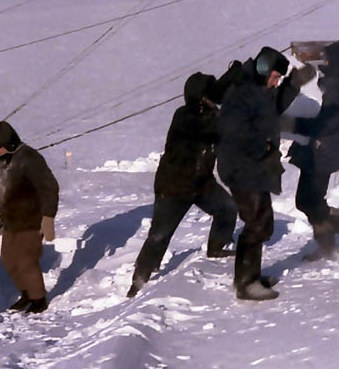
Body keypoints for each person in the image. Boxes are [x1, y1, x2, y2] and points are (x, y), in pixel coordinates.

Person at [126, 72, 238, 298]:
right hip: (174, 186)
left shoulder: (212, 116)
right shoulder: (184, 116)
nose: (213, 98)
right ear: (199, 96)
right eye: (209, 94)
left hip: (202, 183)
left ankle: (217, 247)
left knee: (227, 208)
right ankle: (139, 279)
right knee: (159, 235)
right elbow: (207, 130)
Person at [217, 46, 315, 300]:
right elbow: (232, 130)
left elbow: (274, 107)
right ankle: (246, 283)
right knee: (257, 223)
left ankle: (249, 276)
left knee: (261, 222)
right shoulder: (241, 91)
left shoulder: (260, 89)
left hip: (252, 166)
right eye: (275, 77)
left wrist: (294, 83)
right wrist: (262, 145)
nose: (275, 83)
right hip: (240, 167)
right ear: (263, 69)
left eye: (279, 79)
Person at [285, 40, 339, 261]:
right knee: (309, 200)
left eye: (328, 58)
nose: (324, 62)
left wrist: (294, 124)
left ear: (338, 62)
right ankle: (333, 238)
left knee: (309, 200)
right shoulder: (335, 82)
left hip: (324, 151)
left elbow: (329, 123)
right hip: (321, 149)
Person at [0, 121, 59, 315]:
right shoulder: (2, 162)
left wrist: (48, 218)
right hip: (11, 220)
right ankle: (26, 293)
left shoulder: (30, 158)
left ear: (9, 144)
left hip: (31, 219)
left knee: (26, 260)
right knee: (9, 260)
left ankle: (38, 299)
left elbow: (49, 188)